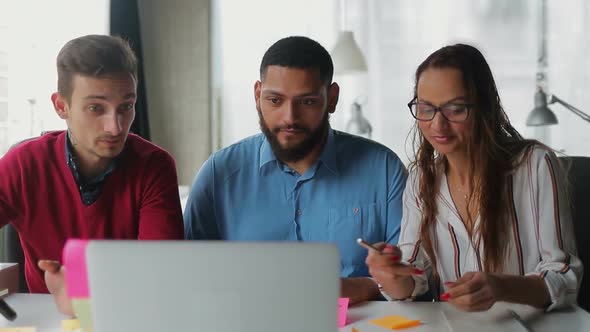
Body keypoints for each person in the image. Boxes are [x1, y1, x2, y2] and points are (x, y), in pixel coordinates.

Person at [184, 36, 407, 304]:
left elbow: (415, 280)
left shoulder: (384, 170)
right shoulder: (218, 175)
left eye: (307, 102)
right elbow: (190, 279)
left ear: (332, 98)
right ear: (257, 96)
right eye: (275, 100)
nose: (290, 118)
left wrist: (363, 287)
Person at [365, 44, 582, 312]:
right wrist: (389, 274)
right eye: (425, 108)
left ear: (485, 106)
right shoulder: (422, 179)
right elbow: (413, 281)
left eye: (455, 109)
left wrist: (502, 287)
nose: (437, 124)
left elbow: (565, 278)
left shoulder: (535, 165)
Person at [0, 35, 184, 314]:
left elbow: (161, 274)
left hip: (131, 315)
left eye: (126, 106)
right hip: (48, 317)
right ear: (62, 106)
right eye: (96, 108)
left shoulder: (154, 166)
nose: (115, 126)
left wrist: (83, 294)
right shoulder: (24, 164)